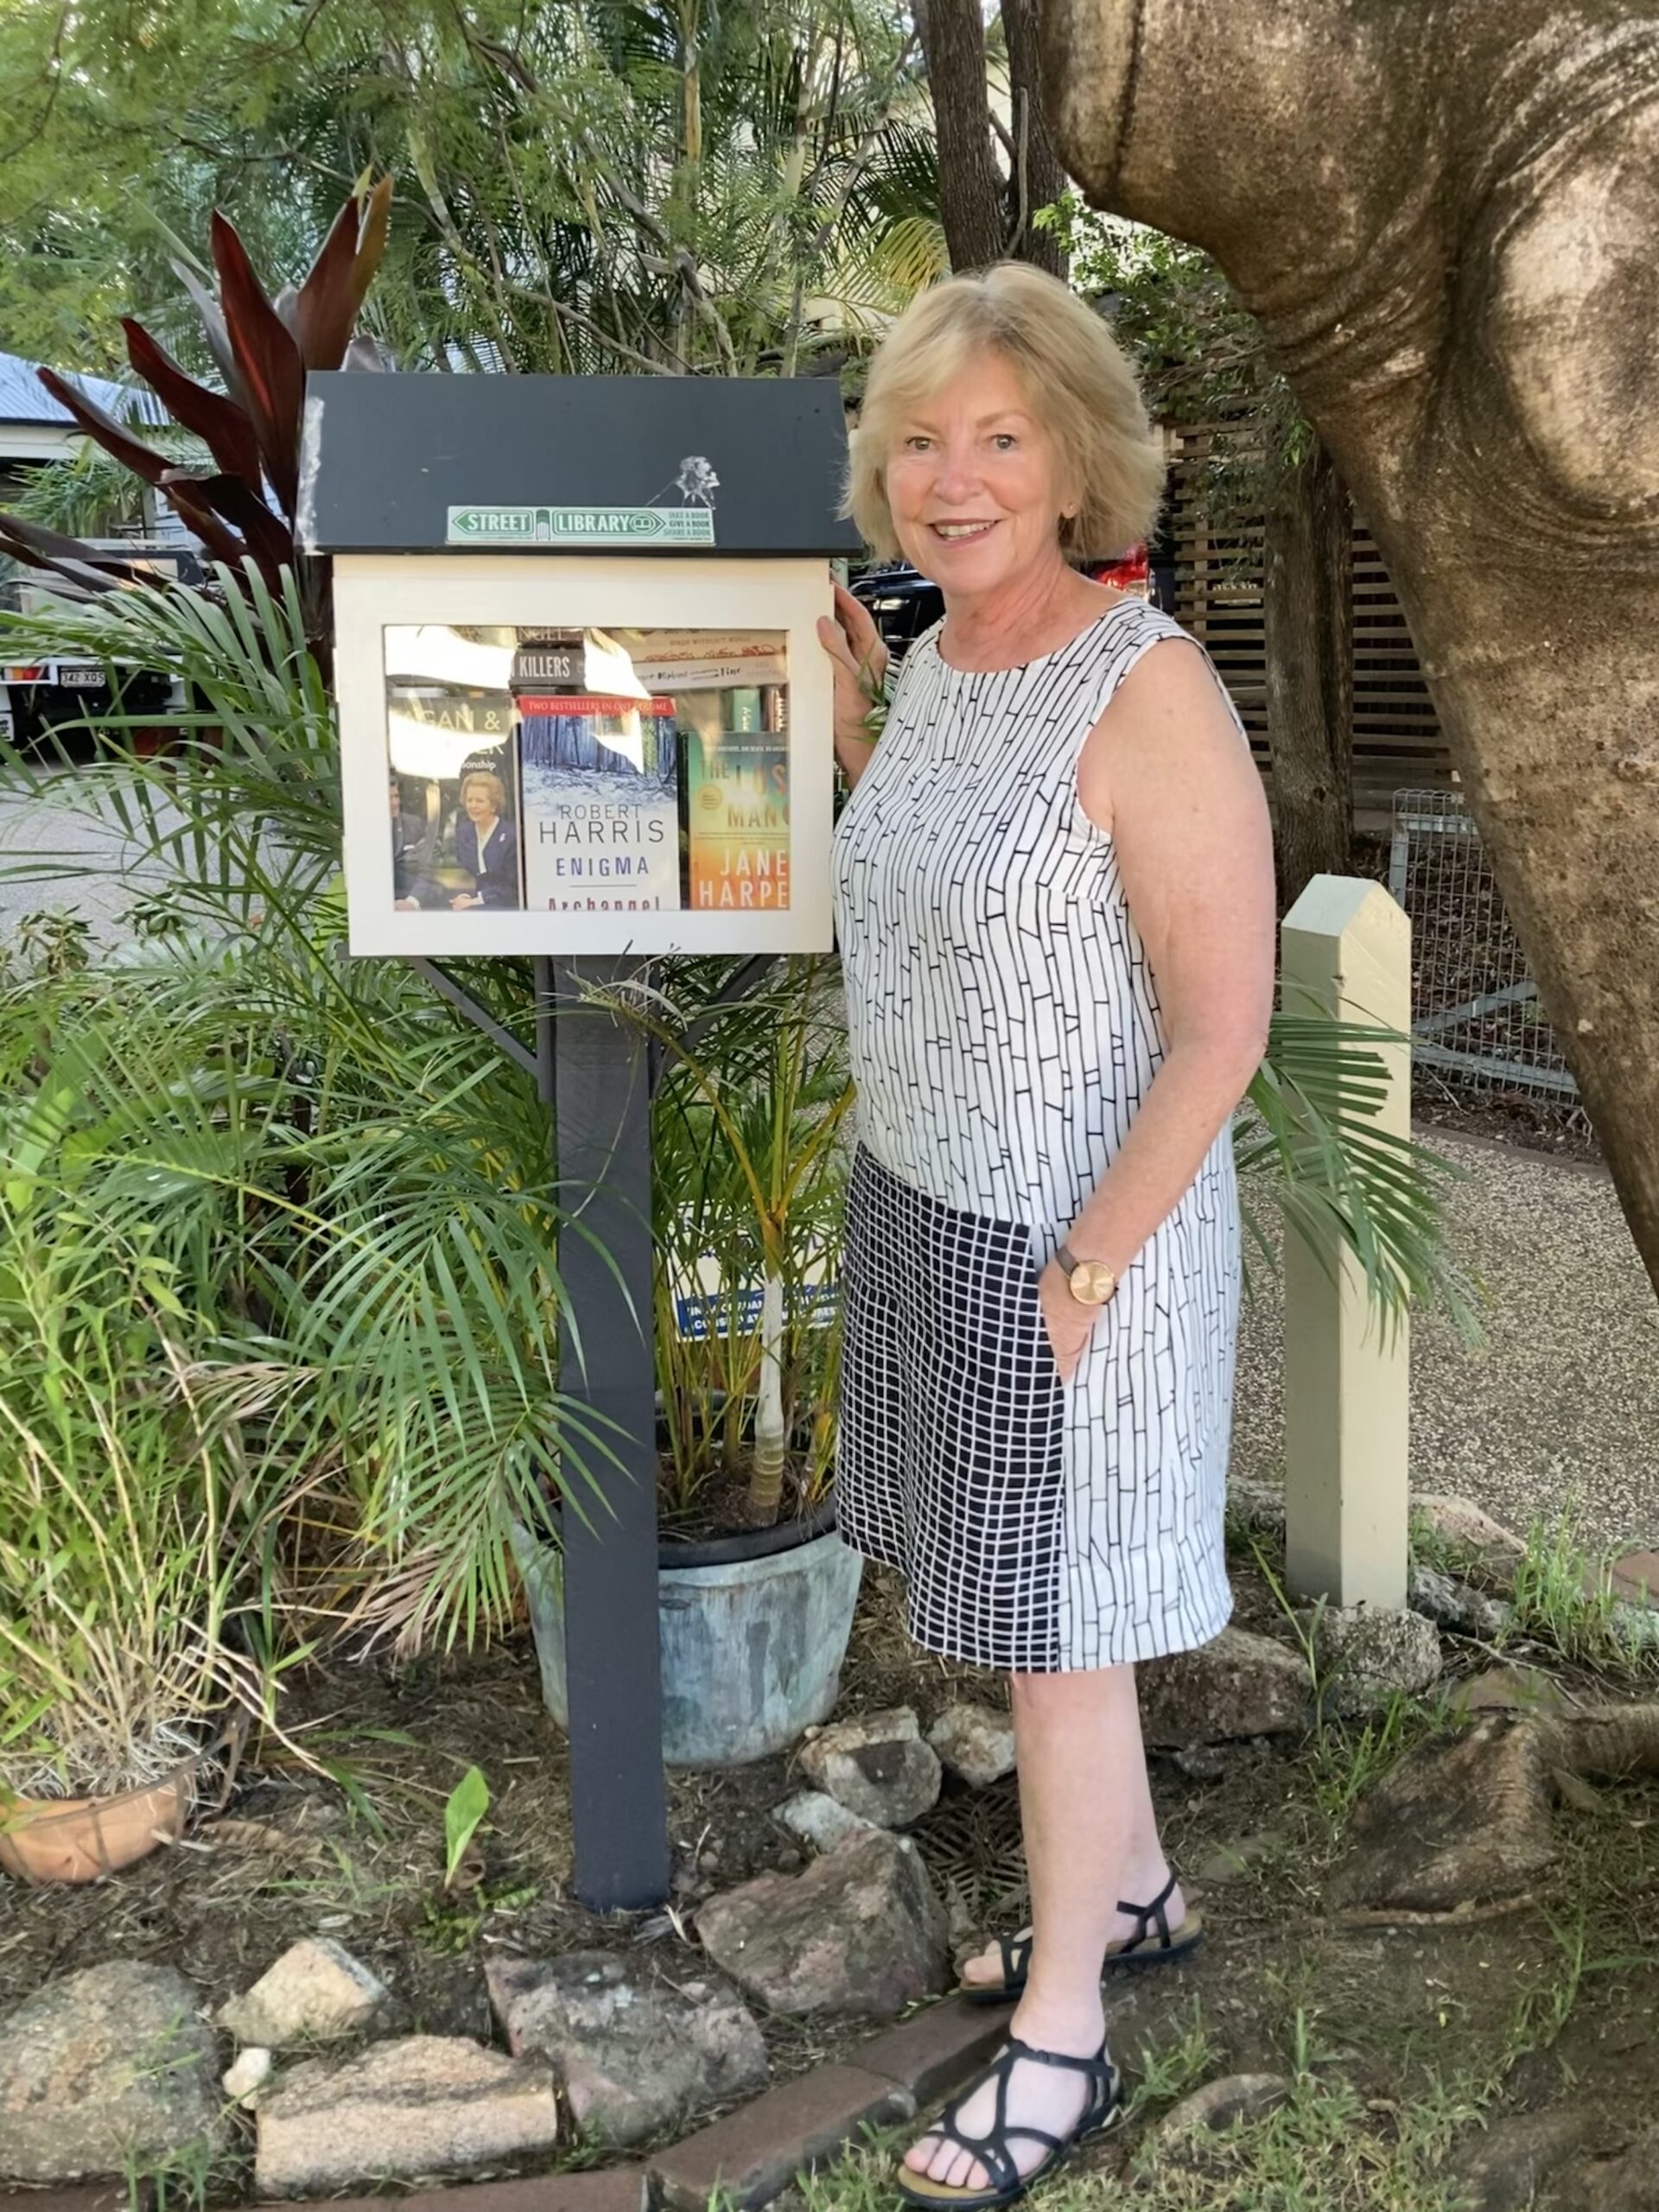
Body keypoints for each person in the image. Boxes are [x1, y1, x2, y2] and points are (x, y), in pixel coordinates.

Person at [820, 262, 1275, 2209]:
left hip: (1085, 1250)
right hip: (929, 1203)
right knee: (1018, 1614)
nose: (957, 473)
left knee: (1062, 1641)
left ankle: (1066, 2026)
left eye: (1001, 433)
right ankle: (1143, 1888)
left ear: (1080, 455)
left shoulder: (1143, 681)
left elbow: (1225, 1024)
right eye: (922, 438)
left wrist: (1084, 1274)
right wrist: (850, 730)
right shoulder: (937, 663)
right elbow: (942, 887)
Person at [448, 768, 518, 909]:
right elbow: (460, 872)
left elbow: (515, 887)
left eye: (479, 801)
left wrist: (478, 900)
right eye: (469, 800)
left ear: (493, 805)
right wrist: (463, 897)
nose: (473, 806)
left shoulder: (511, 836)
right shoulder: (463, 832)